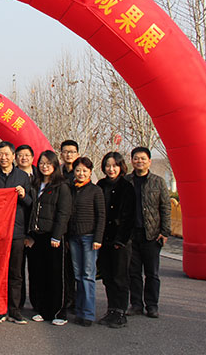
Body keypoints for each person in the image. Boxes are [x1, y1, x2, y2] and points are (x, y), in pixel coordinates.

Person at [0, 141, 32, 324]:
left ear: (13, 156)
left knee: (16, 272)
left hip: (16, 231)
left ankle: (15, 310)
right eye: (0, 154)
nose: (3, 157)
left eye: (7, 154)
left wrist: (23, 195)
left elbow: (31, 203)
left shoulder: (22, 176)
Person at [26, 150, 71, 326]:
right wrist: (30, 234)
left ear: (55, 165)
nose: (45, 166)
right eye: (42, 163)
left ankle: (59, 312)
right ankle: (43, 310)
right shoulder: (35, 184)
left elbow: (63, 213)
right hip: (37, 236)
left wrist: (57, 235)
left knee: (56, 275)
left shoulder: (61, 186)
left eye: (48, 163)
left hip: (53, 237)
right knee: (40, 274)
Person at [126, 146, 171, 319]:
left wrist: (164, 232)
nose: (139, 161)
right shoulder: (127, 181)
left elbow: (165, 207)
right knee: (133, 272)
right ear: (132, 161)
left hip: (151, 234)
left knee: (152, 273)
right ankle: (136, 304)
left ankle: (152, 305)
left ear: (149, 161)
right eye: (136, 158)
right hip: (131, 234)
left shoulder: (158, 182)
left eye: (143, 158)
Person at [96, 151, 135, 329]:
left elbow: (129, 216)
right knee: (108, 277)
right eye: (108, 166)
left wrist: (121, 240)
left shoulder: (127, 187)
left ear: (121, 167)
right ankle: (111, 309)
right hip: (103, 239)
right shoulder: (101, 185)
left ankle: (120, 312)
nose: (111, 169)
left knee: (120, 277)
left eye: (114, 166)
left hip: (120, 241)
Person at [67, 157, 105, 327]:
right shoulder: (71, 189)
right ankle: (79, 311)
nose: (81, 173)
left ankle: (88, 314)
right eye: (78, 170)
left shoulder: (95, 191)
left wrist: (98, 238)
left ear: (90, 172)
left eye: (84, 170)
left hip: (90, 238)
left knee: (88, 276)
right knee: (78, 275)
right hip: (74, 237)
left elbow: (101, 216)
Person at [16, 144, 38, 312]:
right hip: (18, 229)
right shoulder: (12, 176)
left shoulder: (41, 176)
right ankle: (19, 302)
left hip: (38, 230)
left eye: (27, 155)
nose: (23, 158)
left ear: (32, 157)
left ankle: (38, 302)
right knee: (17, 269)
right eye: (20, 155)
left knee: (37, 268)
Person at [59, 139, 79, 311]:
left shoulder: (83, 171)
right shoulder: (57, 173)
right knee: (64, 266)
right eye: (65, 152)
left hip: (79, 226)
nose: (68, 155)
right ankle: (67, 298)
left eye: (72, 152)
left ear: (77, 154)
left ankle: (78, 301)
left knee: (78, 267)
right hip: (61, 225)